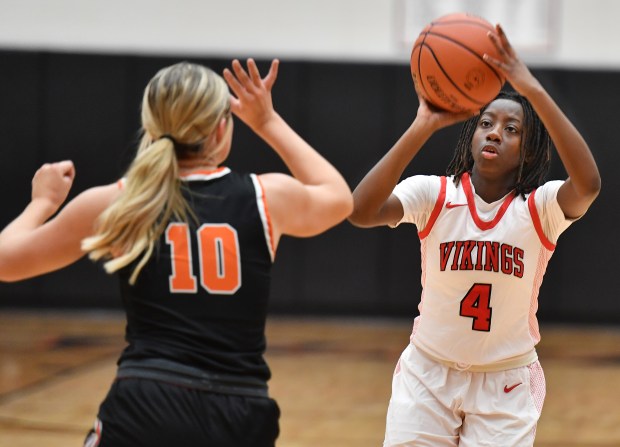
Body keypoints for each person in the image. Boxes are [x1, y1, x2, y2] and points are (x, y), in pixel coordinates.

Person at [0, 58, 353, 446]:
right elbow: (339, 198)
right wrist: (267, 122)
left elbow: (7, 262)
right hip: (242, 411)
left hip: (147, 403)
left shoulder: (118, 201)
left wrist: (44, 202)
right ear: (222, 127)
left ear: (151, 126)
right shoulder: (266, 197)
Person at [348, 24, 600, 447]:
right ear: (471, 135)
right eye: (486, 122)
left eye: (512, 129)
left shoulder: (539, 209)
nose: (496, 132)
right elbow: (360, 210)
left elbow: (588, 185)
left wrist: (533, 89)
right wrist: (422, 125)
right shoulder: (434, 194)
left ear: (530, 151)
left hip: (505, 383)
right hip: (427, 376)